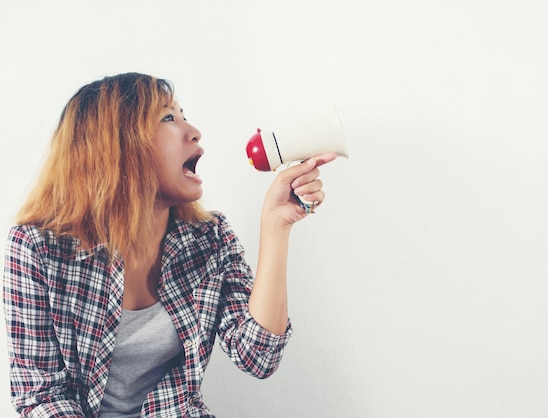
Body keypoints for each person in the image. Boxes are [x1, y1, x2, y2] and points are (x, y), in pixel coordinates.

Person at [3, 72, 336, 417]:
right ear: (117, 145)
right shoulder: (36, 247)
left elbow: (259, 357)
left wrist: (276, 224)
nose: (193, 131)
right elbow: (40, 394)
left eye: (184, 116)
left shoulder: (210, 237)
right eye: (168, 118)